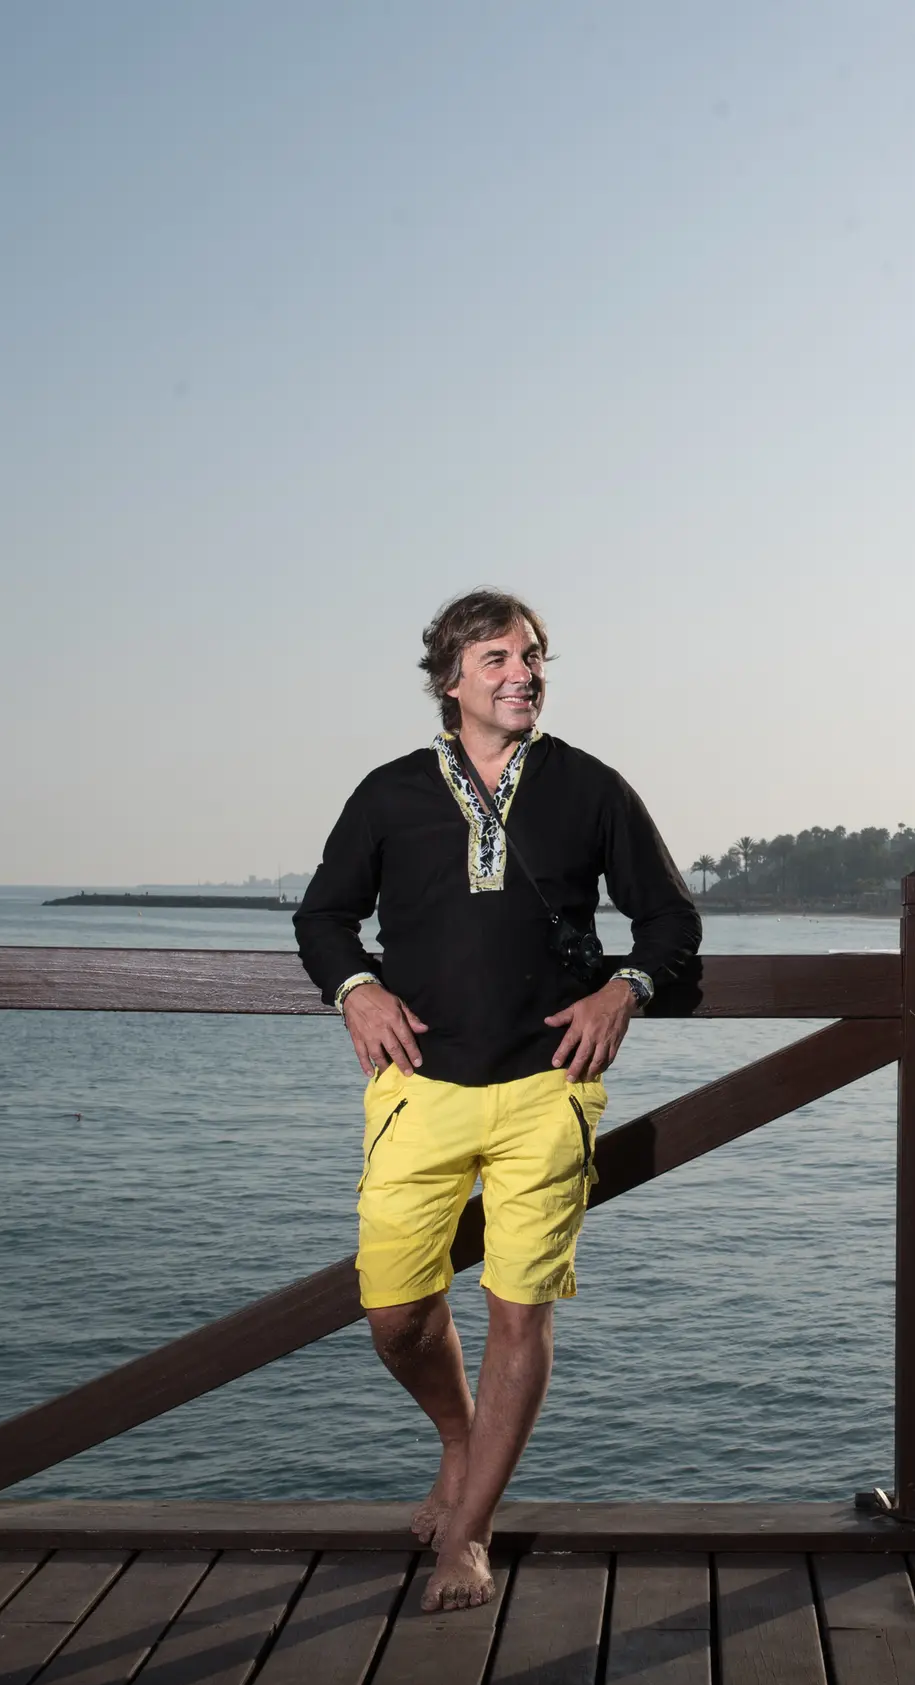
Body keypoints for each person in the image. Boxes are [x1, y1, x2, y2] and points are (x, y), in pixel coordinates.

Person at [294, 589, 699, 1612]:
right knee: (394, 1312)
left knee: (519, 1314)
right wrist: (357, 988)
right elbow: (323, 916)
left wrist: (624, 987)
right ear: (450, 679)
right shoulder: (389, 793)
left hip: (547, 1088)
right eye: (498, 658)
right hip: (417, 1087)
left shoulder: (591, 787)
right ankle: (459, 1437)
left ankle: (469, 1533)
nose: (523, 673)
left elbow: (669, 918)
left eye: (532, 657)